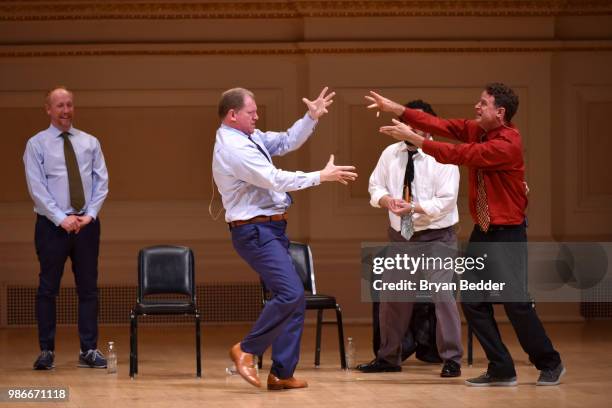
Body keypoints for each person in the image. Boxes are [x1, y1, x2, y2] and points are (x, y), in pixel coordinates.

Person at [366, 83, 565, 386]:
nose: (476, 107)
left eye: (482, 103)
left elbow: (456, 154)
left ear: (500, 112)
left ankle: (549, 361)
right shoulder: (480, 130)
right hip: (483, 230)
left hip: (507, 233)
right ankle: (501, 367)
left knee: (515, 303)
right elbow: (443, 125)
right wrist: (399, 110)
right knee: (472, 301)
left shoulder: (506, 143)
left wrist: (416, 138)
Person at [212, 87, 357, 390]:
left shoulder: (248, 137)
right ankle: (246, 350)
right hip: (254, 231)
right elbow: (275, 178)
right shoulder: (233, 149)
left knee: (295, 299)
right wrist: (321, 176)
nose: (257, 116)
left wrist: (311, 117)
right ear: (232, 115)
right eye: (251, 112)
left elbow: (286, 140)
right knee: (290, 294)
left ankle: (281, 373)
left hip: (270, 229)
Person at [358, 100, 463, 377]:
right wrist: (385, 200)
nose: (414, 131)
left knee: (442, 296)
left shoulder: (443, 156)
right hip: (401, 238)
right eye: (411, 125)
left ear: (430, 127)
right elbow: (374, 185)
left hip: (437, 237)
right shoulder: (390, 153)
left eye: (420, 126)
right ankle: (388, 357)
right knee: (392, 296)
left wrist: (413, 208)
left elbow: (446, 201)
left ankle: (451, 358)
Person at [24, 86, 109, 370]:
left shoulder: (90, 142)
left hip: (86, 225)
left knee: (88, 290)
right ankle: (46, 350)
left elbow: (101, 182)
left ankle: (89, 350)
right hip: (52, 227)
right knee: (48, 289)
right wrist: (62, 218)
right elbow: (37, 189)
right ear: (48, 109)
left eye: (69, 105)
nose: (65, 111)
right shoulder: (36, 144)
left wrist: (90, 215)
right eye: (59, 106)